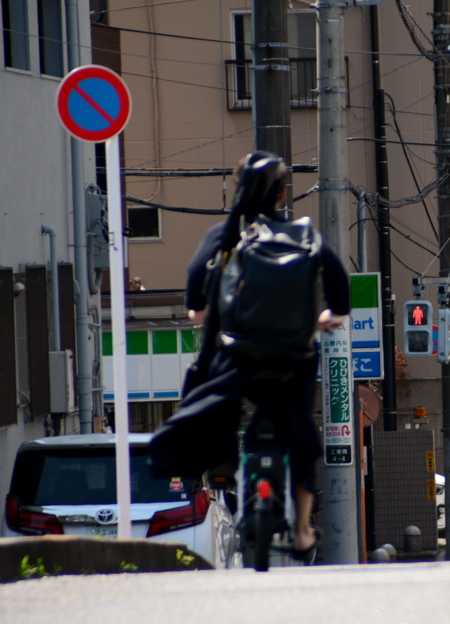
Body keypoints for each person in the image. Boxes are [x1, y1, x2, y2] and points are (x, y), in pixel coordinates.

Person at [150, 152, 351, 563]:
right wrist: (318, 320)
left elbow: (197, 310)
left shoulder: (223, 239)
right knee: (301, 437)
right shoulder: (306, 235)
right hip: (294, 359)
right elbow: (340, 303)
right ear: (282, 194)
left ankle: (228, 470)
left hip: (238, 356)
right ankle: (300, 531)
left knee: (218, 406)